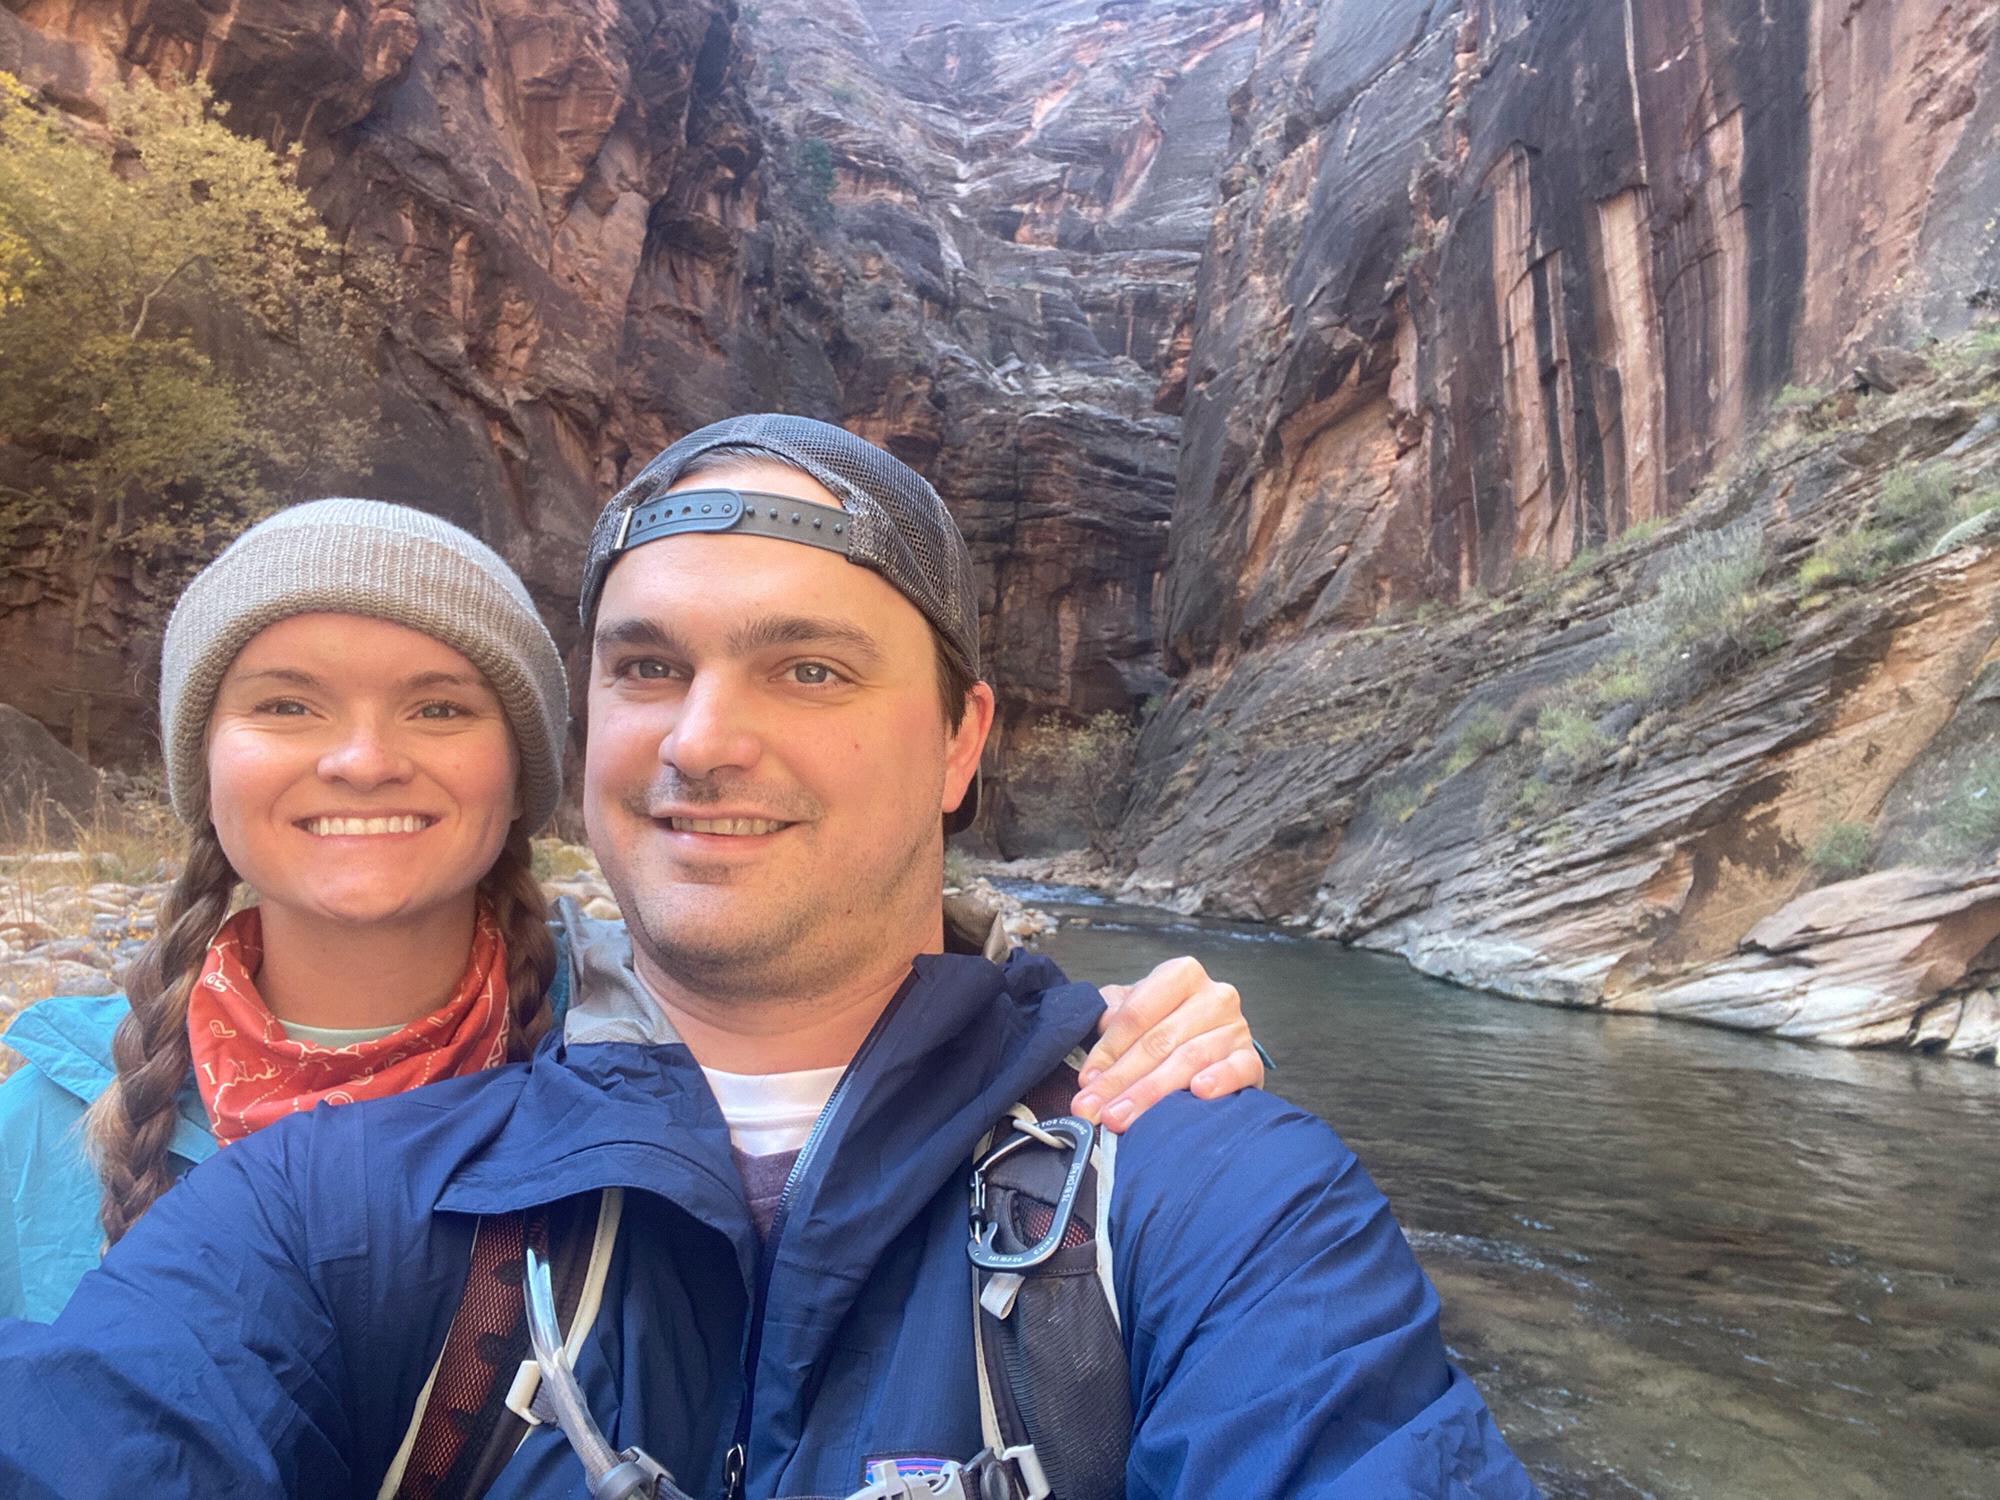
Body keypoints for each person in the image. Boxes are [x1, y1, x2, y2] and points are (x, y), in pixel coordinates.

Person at [0, 418, 1535, 1498]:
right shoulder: (328, 1196)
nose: (704, 739)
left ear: (960, 741)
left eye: (808, 668)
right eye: (648, 667)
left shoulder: (1205, 1192)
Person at [0, 498, 1263, 1323]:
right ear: (200, 759)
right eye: (285, 705)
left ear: (521, 771)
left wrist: (1129, 1035)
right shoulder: (37, 1109)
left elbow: (881, 1006)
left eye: (439, 706)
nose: (362, 761)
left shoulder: (665, 1049)